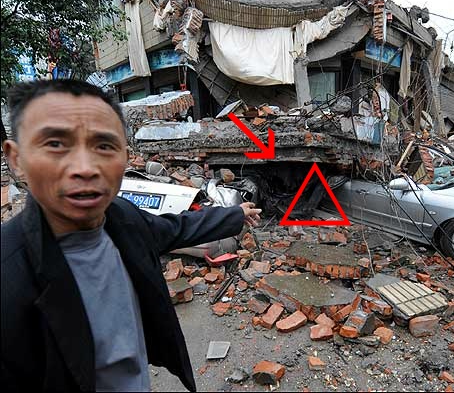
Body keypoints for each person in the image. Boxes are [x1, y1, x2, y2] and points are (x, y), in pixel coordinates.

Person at [0, 79, 262, 392]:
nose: (85, 168)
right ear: (16, 159)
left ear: (125, 157)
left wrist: (235, 215)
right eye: (55, 144)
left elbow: (176, 228)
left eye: (103, 146)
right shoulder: (8, 277)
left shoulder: (122, 219)